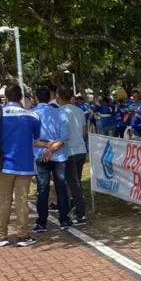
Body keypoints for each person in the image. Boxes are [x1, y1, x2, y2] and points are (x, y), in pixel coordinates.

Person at [0, 84, 45, 247]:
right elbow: (35, 139)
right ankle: (23, 236)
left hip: (3, 165)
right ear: (21, 98)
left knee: (4, 201)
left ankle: (1, 236)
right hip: (25, 165)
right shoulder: (33, 116)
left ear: (5, 98)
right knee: (22, 201)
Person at [32, 87, 71, 233]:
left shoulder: (31, 115)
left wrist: (46, 147)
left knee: (42, 189)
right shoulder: (60, 112)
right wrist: (52, 147)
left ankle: (42, 222)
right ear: (50, 97)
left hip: (40, 155)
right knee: (61, 187)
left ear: (36, 98)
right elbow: (64, 137)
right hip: (59, 155)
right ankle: (64, 219)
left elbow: (31, 139)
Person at [57, 86, 88, 226]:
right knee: (76, 182)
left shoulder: (59, 112)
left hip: (69, 151)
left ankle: (80, 213)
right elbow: (84, 131)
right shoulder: (79, 110)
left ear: (58, 97)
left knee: (73, 183)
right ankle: (75, 205)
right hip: (81, 149)